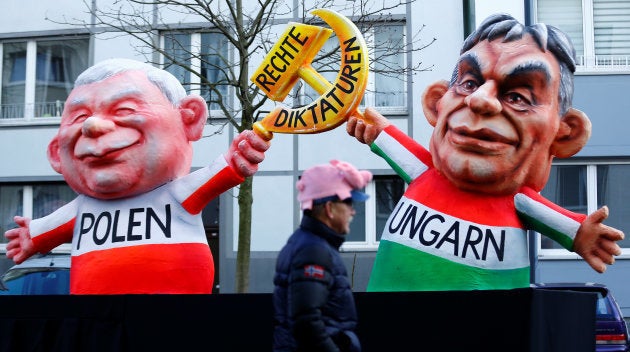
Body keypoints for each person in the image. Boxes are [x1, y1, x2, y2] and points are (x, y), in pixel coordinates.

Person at [346, 13, 624, 291]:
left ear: (565, 134)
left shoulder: (518, 201)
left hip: (484, 327)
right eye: (469, 84)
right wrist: (375, 130)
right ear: (436, 103)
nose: (478, 100)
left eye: (518, 97)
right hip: (388, 323)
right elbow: (388, 138)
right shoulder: (425, 172)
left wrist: (582, 233)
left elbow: (569, 229)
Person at [4, 58, 270, 294]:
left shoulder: (174, 194)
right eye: (81, 116)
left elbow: (220, 171)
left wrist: (238, 157)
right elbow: (47, 230)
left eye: (124, 110)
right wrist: (32, 236)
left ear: (189, 119)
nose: (92, 125)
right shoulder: (84, 207)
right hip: (97, 319)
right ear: (56, 153)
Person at [273, 160, 370, 352]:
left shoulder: (307, 243)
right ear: (329, 208)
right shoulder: (314, 250)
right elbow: (306, 322)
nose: (353, 211)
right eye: (349, 202)